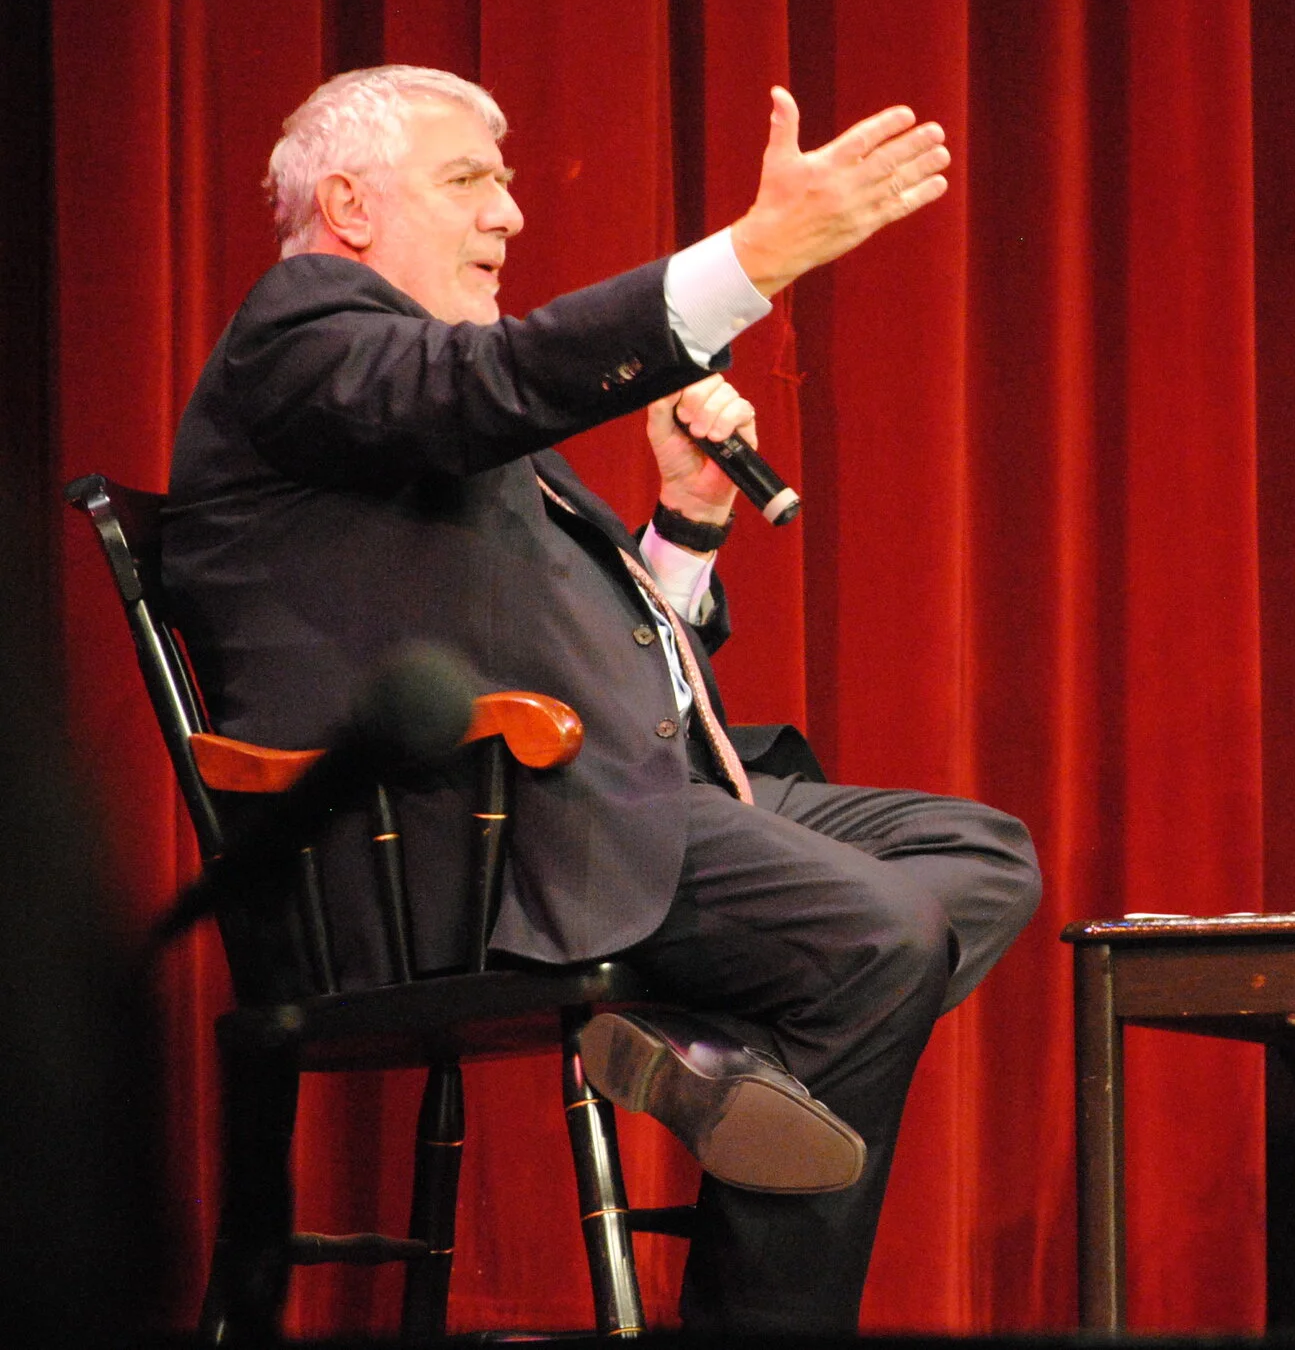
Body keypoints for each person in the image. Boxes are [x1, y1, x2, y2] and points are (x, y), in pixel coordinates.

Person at [162, 65, 1042, 1333]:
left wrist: (684, 521)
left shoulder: (424, 401)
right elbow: (496, 382)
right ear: (348, 207)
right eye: (468, 179)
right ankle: (727, 1142)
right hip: (461, 841)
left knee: (980, 857)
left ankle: (711, 1062)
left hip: (600, 799)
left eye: (506, 181)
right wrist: (750, 258)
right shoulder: (303, 332)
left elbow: (614, 647)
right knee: (881, 936)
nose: (509, 212)